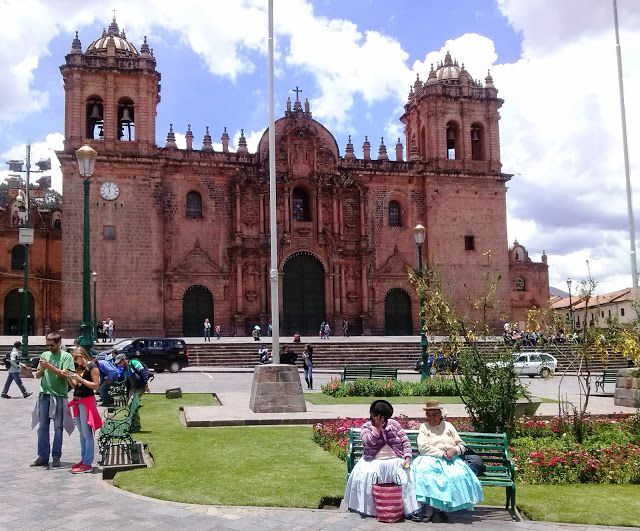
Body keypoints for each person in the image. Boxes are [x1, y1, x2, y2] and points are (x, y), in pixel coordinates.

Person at [343, 400, 420, 519]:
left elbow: (405, 441)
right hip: (373, 460)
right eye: (377, 417)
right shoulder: (366, 427)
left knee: (406, 474)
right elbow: (368, 443)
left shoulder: (394, 424)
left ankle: (408, 509)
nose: (381, 420)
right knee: (368, 474)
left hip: (396, 459)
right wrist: (377, 429)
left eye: (384, 418)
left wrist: (407, 458)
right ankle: (374, 509)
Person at [412, 400, 483, 522]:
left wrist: (454, 450)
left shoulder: (449, 426)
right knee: (427, 475)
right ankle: (429, 509)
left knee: (455, 476)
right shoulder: (424, 427)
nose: (431, 418)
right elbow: (423, 447)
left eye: (434, 414)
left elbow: (462, 445)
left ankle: (444, 509)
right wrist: (441, 454)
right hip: (430, 458)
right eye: (428, 415)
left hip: (451, 459)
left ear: (440, 415)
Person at [30, 332, 75, 467]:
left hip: (59, 395)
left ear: (59, 343)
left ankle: (56, 457)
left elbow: (64, 374)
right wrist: (41, 369)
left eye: (52, 345)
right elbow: (38, 375)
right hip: (44, 395)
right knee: (42, 427)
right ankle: (43, 456)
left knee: (58, 427)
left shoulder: (66, 356)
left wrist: (48, 366)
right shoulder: (45, 355)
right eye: (47, 345)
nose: (49, 347)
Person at [66, 347, 103, 473]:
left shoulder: (92, 367)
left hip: (87, 402)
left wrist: (81, 378)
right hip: (78, 401)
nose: (76, 362)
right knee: (82, 434)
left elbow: (96, 385)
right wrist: (69, 378)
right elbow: (76, 386)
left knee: (87, 434)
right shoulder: (80, 368)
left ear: (82, 355)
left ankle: (88, 463)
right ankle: (84, 459)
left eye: (76, 358)